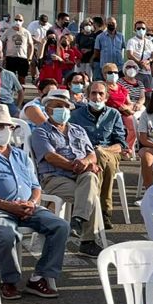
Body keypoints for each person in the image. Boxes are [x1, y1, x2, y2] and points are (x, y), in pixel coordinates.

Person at [0, 103, 68, 299]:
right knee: (6, 234)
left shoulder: (20, 155)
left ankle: (39, 277)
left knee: (60, 226)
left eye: (8, 127)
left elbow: (36, 186)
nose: (5, 131)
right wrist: (6, 205)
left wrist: (32, 203)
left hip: (27, 207)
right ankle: (9, 280)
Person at [29, 92, 104, 258]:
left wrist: (85, 162)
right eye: (57, 106)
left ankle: (77, 221)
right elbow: (50, 156)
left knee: (90, 179)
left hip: (80, 175)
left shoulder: (78, 130)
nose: (62, 110)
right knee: (88, 195)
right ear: (48, 110)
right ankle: (87, 241)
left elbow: (92, 154)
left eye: (65, 106)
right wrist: (75, 166)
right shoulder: (41, 132)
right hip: (55, 178)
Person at [69, 81, 128, 230]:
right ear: (88, 96)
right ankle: (104, 211)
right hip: (85, 156)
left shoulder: (114, 114)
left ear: (106, 97)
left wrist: (102, 150)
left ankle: (91, 212)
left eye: (101, 93)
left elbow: (120, 144)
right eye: (93, 93)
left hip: (110, 153)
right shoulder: (76, 115)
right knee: (98, 157)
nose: (97, 97)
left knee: (100, 154)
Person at [1, 15, 34, 85]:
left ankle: (21, 93)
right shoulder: (8, 31)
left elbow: (31, 45)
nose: (18, 21)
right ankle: (10, 93)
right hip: (11, 57)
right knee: (9, 78)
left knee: (22, 79)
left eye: (20, 20)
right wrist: (3, 55)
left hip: (23, 58)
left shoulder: (26, 32)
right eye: (16, 19)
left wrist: (30, 58)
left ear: (23, 21)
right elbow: (2, 42)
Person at [0, 50, 22, 117]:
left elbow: (20, 91)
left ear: (3, 59)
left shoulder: (10, 74)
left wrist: (17, 106)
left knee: (19, 118)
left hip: (8, 103)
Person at [124, 20, 153, 86]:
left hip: (147, 72)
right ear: (135, 29)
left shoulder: (149, 42)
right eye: (138, 28)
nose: (141, 30)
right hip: (136, 71)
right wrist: (140, 63)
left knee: (147, 94)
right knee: (135, 92)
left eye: (143, 28)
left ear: (145, 29)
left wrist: (148, 61)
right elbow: (129, 55)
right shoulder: (131, 41)